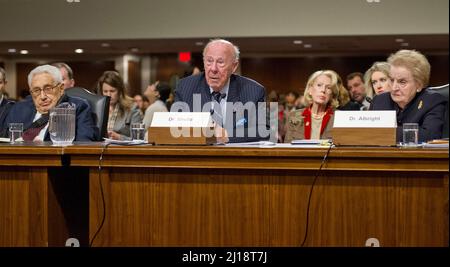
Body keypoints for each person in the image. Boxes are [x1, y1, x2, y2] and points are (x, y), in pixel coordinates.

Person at [174, 38, 268, 143]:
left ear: (234, 66)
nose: (213, 69)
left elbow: (264, 130)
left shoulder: (253, 91)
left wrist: (227, 135)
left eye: (220, 62)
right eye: (209, 61)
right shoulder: (185, 87)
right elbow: (173, 127)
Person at [1, 65, 97, 141]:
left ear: (61, 88)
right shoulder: (19, 108)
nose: (42, 97)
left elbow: (84, 144)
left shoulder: (78, 107)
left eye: (48, 89)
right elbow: (4, 140)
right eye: (36, 90)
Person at [370, 49, 447, 143]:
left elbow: (430, 135)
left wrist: (386, 132)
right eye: (391, 80)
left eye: (402, 82)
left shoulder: (432, 101)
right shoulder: (379, 101)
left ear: (419, 85)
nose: (394, 88)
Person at [284, 70, 339, 142]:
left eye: (328, 88)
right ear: (310, 90)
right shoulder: (294, 116)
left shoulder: (339, 118)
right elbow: (287, 148)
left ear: (331, 94)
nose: (323, 90)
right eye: (319, 85)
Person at [96, 71, 141, 140]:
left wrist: (119, 137)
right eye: (105, 91)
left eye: (112, 91)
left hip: (123, 149)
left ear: (120, 91)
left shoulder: (132, 108)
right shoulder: (97, 108)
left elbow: (139, 139)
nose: (108, 95)